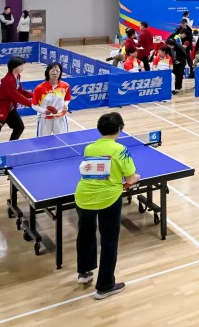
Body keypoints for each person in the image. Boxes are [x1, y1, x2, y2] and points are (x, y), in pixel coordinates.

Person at [74, 111, 138, 299]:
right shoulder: (121, 150)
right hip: (109, 198)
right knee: (109, 240)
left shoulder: (89, 148)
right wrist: (134, 179)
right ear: (120, 129)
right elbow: (130, 178)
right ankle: (105, 286)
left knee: (85, 234)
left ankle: (84, 273)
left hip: (83, 196)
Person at [32, 62, 72, 136]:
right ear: (48, 72)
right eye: (53, 70)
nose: (55, 73)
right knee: (43, 140)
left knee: (62, 139)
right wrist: (44, 111)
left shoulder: (65, 86)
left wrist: (66, 105)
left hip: (60, 117)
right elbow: (34, 105)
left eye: (57, 71)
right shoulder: (39, 88)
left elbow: (67, 99)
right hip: (44, 118)